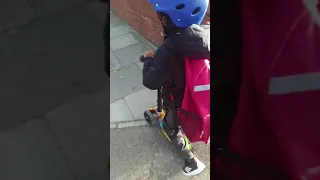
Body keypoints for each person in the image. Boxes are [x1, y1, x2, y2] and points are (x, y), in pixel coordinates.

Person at [140, 0, 210, 176]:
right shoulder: (207, 35)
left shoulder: (167, 51)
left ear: (167, 19)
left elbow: (150, 82)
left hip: (178, 101)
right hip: (196, 96)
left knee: (170, 127)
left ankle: (191, 162)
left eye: (161, 16)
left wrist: (149, 60)